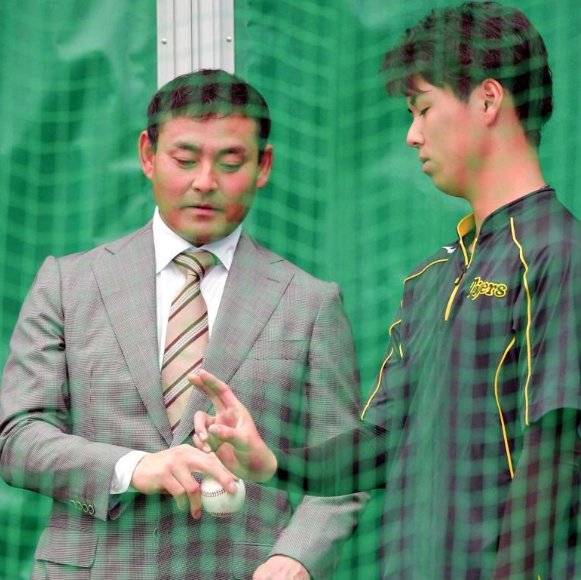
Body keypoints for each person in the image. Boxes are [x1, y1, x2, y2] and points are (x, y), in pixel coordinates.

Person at [191, 4, 581, 578]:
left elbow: (558, 448)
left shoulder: (558, 253)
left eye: (423, 108)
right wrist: (272, 462)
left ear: (488, 100)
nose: (412, 134)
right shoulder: (432, 279)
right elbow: (379, 444)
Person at [0, 69, 366, 579]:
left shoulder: (311, 303)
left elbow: (343, 467)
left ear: (263, 165)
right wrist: (133, 467)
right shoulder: (68, 284)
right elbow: (17, 437)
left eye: (230, 162)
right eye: (185, 159)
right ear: (148, 155)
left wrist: (295, 558)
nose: (205, 182)